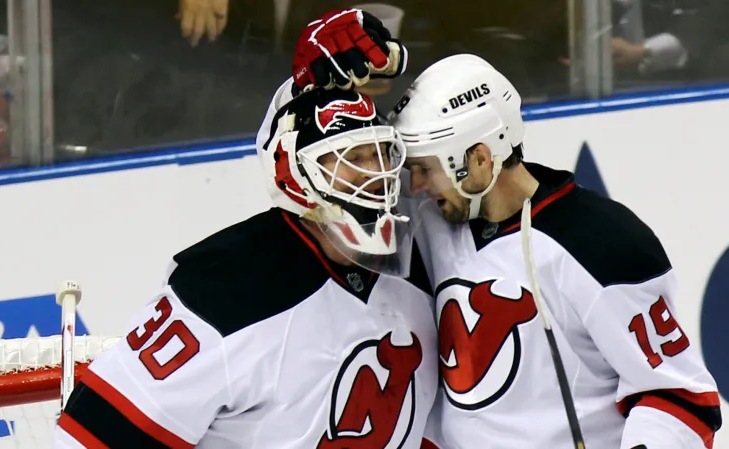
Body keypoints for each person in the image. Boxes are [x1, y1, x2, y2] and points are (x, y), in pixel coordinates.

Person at [261, 13, 722, 448]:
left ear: (480, 159)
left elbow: (679, 396)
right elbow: (305, 183)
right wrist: (303, 90)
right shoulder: (421, 222)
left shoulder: (600, 242)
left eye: (423, 168)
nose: (412, 185)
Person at [52, 86, 440, 448]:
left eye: (380, 154)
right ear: (299, 175)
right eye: (352, 158)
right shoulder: (223, 293)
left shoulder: (425, 262)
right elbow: (89, 437)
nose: (377, 175)